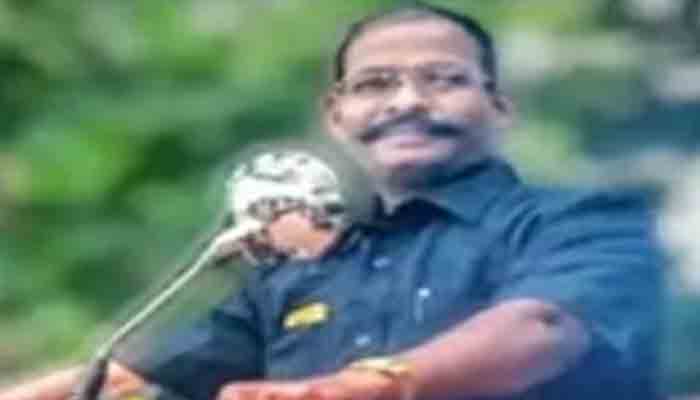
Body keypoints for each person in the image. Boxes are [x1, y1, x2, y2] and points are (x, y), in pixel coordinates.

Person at [0, 3, 663, 400]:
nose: (408, 101)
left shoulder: (583, 222)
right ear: (337, 114)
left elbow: (542, 330)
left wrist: (356, 387)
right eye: (375, 84)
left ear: (499, 107)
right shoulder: (295, 271)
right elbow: (126, 377)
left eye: (444, 80)